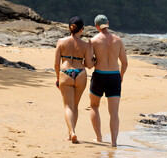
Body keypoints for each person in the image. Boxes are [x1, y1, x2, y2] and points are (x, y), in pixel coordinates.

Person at [89, 14, 128, 147]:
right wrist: (121, 75)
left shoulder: (93, 41)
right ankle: (114, 142)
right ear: (108, 23)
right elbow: (125, 62)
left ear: (96, 26)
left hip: (99, 75)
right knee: (114, 112)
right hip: (114, 76)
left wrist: (94, 61)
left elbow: (89, 64)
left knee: (94, 106)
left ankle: (99, 137)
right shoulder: (118, 40)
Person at [54, 16, 93, 144]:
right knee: (75, 106)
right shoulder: (85, 45)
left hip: (65, 72)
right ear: (81, 29)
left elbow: (56, 64)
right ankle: (71, 133)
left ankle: (72, 133)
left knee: (67, 106)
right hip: (80, 73)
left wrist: (58, 77)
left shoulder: (61, 42)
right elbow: (89, 64)